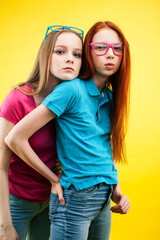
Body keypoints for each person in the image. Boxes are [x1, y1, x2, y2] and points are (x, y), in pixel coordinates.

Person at [5, 21, 131, 240]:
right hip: (50, 196)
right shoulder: (69, 90)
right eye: (101, 47)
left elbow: (103, 147)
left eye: (117, 48)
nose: (110, 54)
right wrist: (54, 179)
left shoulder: (108, 98)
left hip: (90, 196)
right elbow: (14, 141)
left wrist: (116, 186)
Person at [0, 25, 83, 240]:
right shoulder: (18, 99)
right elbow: (1, 166)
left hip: (53, 201)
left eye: (77, 54)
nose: (70, 59)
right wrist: (4, 225)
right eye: (60, 51)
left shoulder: (74, 102)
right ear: (46, 55)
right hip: (16, 201)